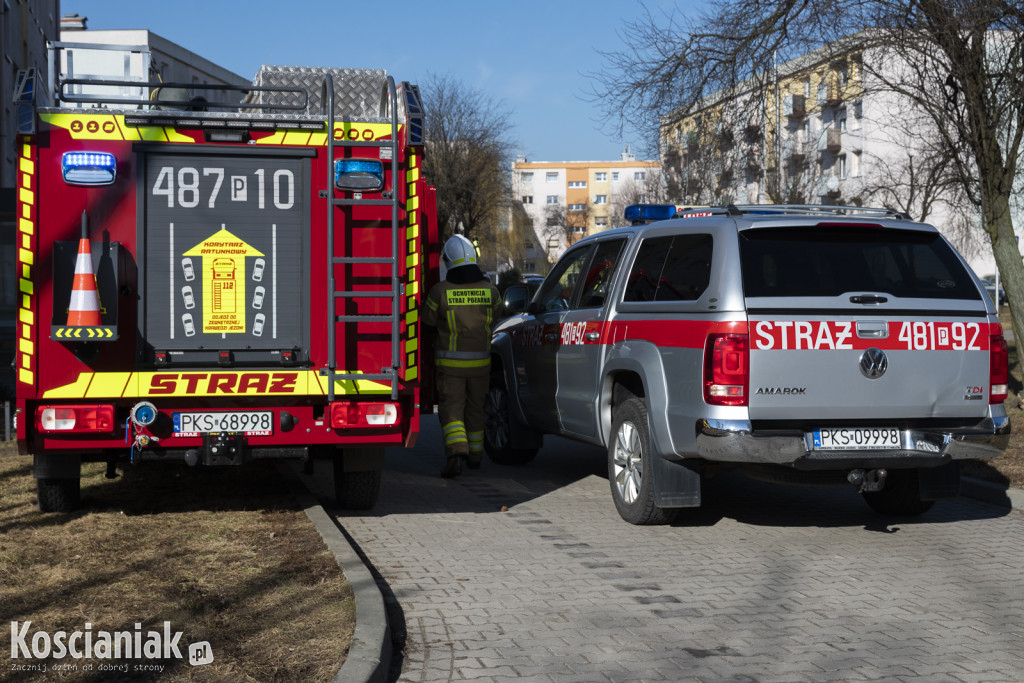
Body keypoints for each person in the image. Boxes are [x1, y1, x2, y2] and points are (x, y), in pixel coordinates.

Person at [423, 235, 502, 478]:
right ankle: (476, 458)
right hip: (481, 365)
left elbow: (426, 324)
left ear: (448, 261)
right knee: (476, 409)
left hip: (450, 367)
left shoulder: (440, 292)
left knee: (453, 411)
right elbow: (498, 317)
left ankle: (456, 454)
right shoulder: (491, 291)